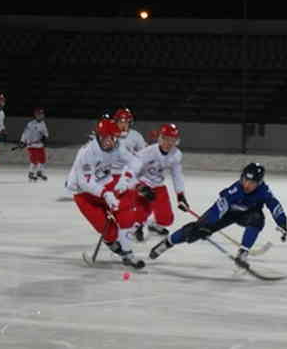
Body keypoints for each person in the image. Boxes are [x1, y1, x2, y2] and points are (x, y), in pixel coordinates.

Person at [149, 162, 287, 270]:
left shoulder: (263, 191)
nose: (247, 185)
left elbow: (274, 205)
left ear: (260, 183)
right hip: (225, 214)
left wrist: (282, 223)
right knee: (194, 230)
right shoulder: (234, 191)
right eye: (245, 180)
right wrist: (205, 225)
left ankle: (243, 253)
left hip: (246, 215)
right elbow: (217, 210)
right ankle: (167, 242)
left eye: (252, 183)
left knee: (257, 220)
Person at [66, 118, 145, 267]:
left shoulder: (118, 146)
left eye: (112, 137)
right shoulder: (87, 152)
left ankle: (127, 252)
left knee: (125, 209)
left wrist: (125, 178)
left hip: (104, 183)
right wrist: (105, 194)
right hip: (83, 193)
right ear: (98, 136)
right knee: (109, 232)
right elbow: (85, 182)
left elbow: (136, 162)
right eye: (105, 138)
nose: (109, 141)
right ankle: (113, 245)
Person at [133, 123, 190, 241]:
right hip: (142, 184)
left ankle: (153, 225)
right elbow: (131, 171)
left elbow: (177, 175)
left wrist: (180, 195)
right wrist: (139, 187)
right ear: (160, 138)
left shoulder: (176, 154)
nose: (169, 143)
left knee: (167, 219)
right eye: (166, 139)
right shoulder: (146, 153)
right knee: (140, 213)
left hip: (158, 186)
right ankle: (136, 226)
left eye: (172, 140)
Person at [20, 107, 50, 182]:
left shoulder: (43, 124)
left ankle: (39, 172)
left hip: (40, 145)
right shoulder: (31, 124)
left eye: (41, 114)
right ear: (35, 115)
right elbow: (25, 133)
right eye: (38, 114)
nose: (40, 116)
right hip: (32, 145)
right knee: (34, 160)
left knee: (42, 160)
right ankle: (31, 174)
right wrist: (22, 141)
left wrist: (45, 137)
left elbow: (46, 133)